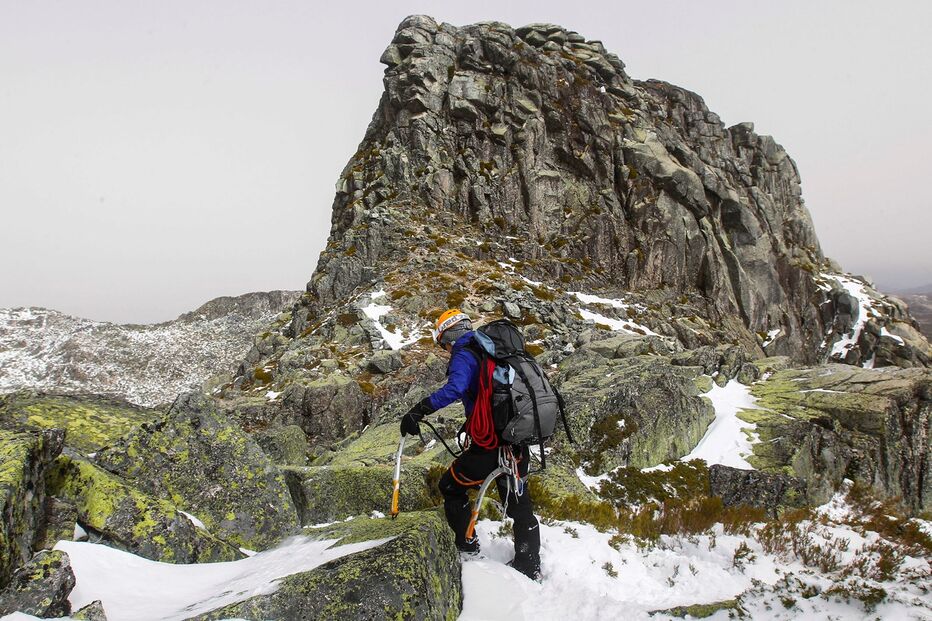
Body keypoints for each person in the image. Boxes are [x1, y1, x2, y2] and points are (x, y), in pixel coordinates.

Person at [400, 309, 542, 580]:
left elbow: (455, 388)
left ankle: (468, 547)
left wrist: (419, 410)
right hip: (515, 439)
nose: (444, 349)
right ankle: (530, 565)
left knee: (450, 486)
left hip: (490, 445)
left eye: (443, 343)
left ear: (449, 337)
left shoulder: (464, 353)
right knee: (520, 505)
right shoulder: (492, 350)